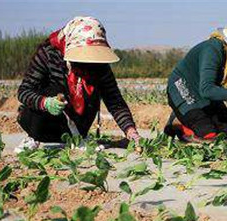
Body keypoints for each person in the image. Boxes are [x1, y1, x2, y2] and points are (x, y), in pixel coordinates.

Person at [15, 16, 140, 153]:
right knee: (55, 90)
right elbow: (24, 91)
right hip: (44, 122)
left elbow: (114, 101)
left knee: (92, 86)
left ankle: (77, 137)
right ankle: (33, 137)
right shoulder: (48, 55)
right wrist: (45, 103)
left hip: (78, 127)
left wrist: (130, 130)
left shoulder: (100, 66)